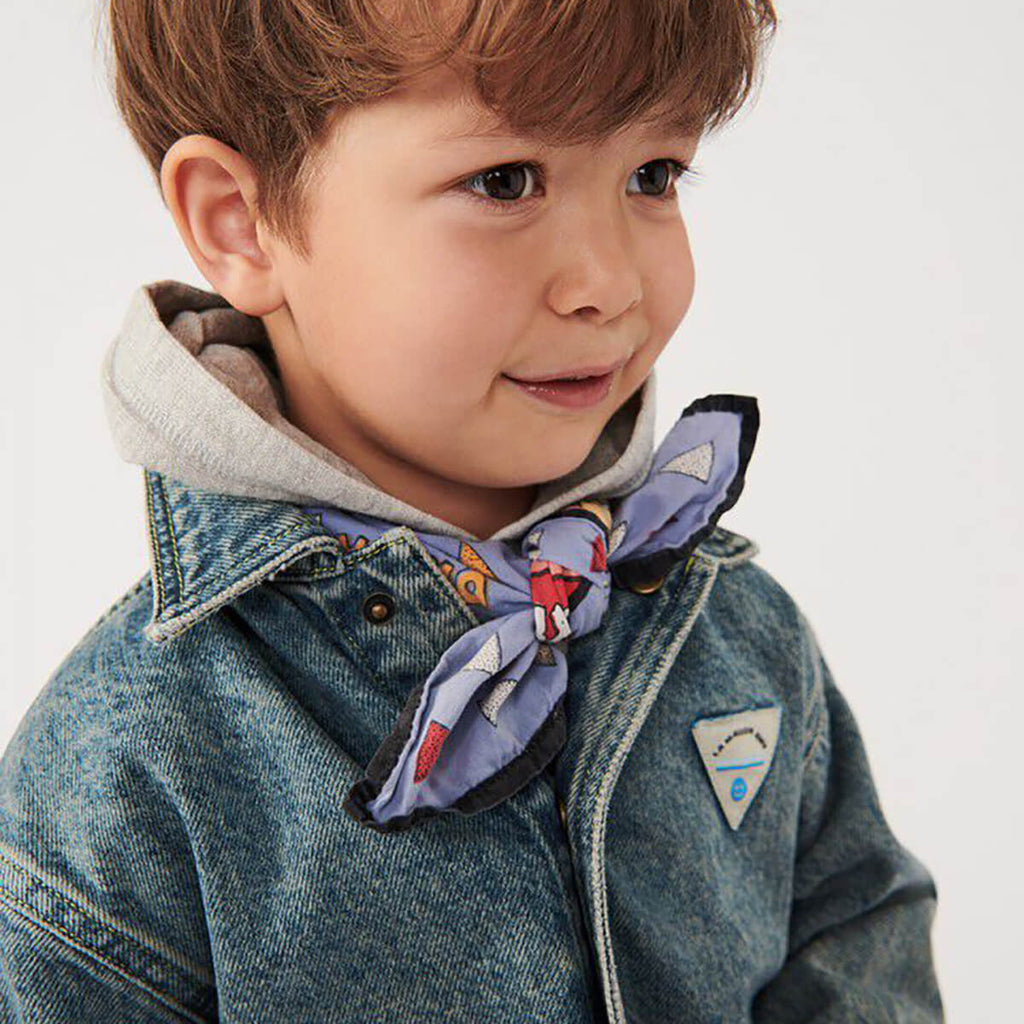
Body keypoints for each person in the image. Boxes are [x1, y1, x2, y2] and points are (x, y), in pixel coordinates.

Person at [0, 1, 944, 1020]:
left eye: (653, 176)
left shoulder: (740, 635)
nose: (608, 282)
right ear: (242, 220)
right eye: (505, 182)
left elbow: (860, 949)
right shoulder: (133, 760)